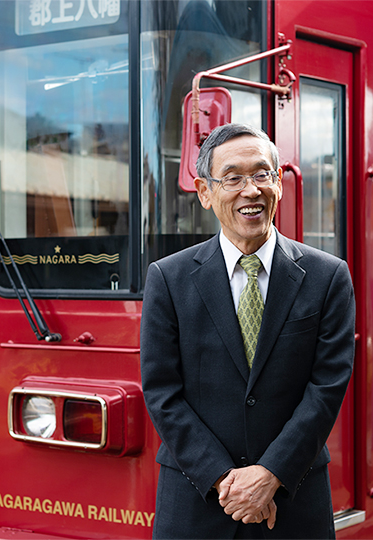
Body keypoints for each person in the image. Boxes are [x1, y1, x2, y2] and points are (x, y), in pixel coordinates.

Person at [140, 123, 355, 539]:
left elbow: (327, 387)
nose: (250, 190)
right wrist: (225, 480)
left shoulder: (327, 277)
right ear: (205, 192)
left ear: (278, 183)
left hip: (294, 500)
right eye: (233, 178)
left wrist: (271, 473)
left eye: (261, 174)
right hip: (197, 499)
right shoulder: (168, 278)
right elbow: (161, 391)